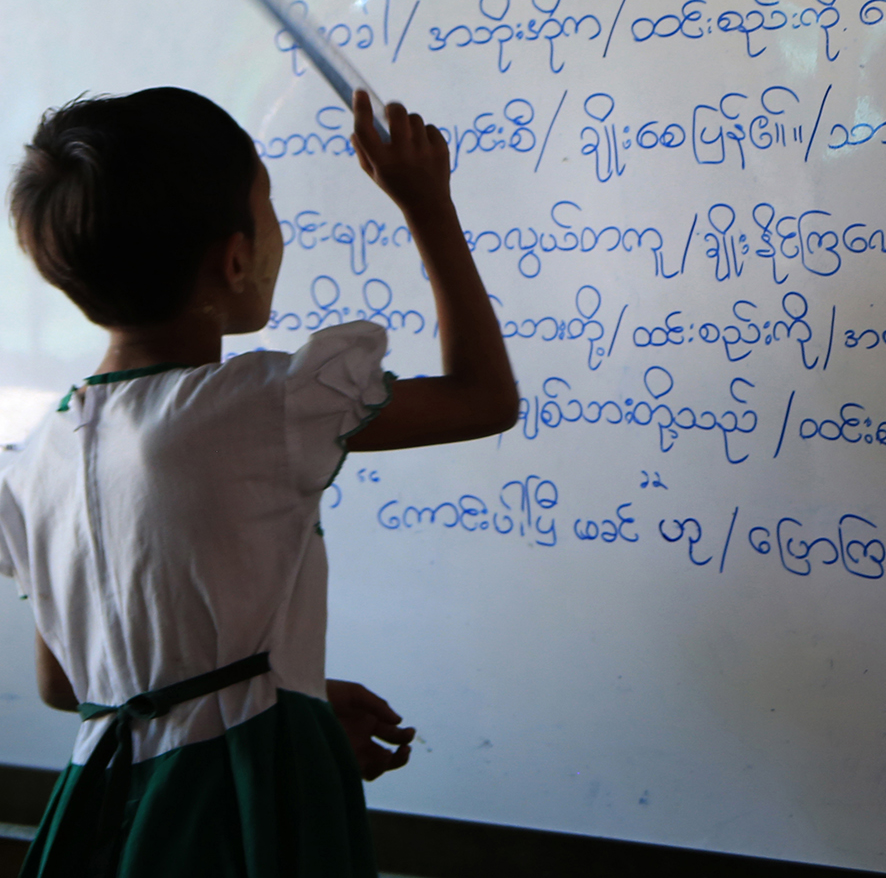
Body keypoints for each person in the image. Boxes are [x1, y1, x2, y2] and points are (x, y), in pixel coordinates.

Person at [0, 87, 515, 875]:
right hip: (238, 800)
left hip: (102, 815)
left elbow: (65, 682)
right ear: (235, 260)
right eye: (270, 206)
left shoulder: (39, 456)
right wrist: (427, 204)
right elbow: (484, 398)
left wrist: (279, 687)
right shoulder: (262, 403)